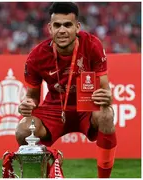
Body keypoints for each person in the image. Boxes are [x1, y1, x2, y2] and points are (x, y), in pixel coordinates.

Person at [16, 2, 116, 178]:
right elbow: (32, 98)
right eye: (57, 25)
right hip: (54, 108)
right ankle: (43, 172)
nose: (62, 30)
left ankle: (104, 177)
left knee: (107, 114)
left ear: (77, 27)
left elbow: (105, 91)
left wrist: (107, 97)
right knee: (23, 130)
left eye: (67, 25)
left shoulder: (93, 45)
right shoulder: (36, 56)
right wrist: (27, 105)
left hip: (86, 108)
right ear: (50, 28)